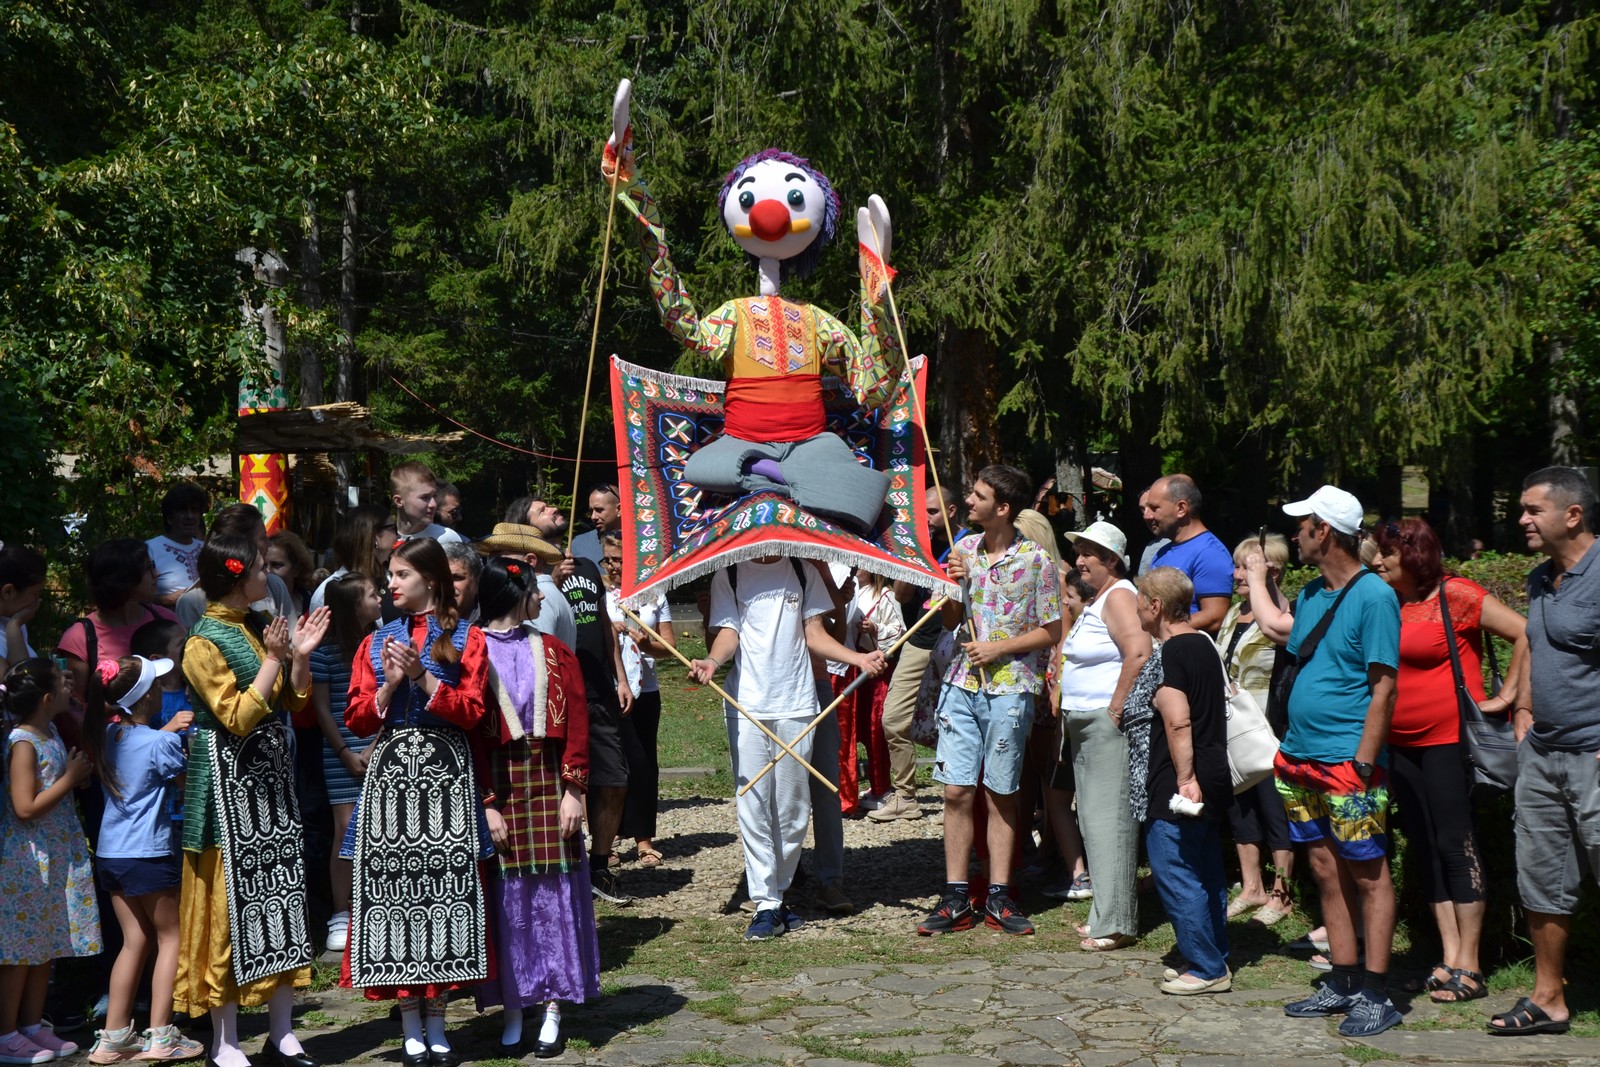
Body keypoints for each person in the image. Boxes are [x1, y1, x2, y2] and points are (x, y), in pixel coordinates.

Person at [176, 532, 328, 1067]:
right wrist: (274, 657)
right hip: (224, 790)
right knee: (227, 907)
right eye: (263, 568)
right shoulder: (201, 642)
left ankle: (282, 1033)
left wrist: (299, 656)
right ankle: (225, 1042)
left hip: (269, 785)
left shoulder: (260, 624)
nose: (270, 576)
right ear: (237, 576)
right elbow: (237, 715)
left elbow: (294, 699)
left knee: (280, 899)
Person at [341, 538, 490, 1067]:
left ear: (430, 578)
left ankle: (440, 1022)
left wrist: (423, 678)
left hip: (446, 778)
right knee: (395, 899)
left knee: (445, 897)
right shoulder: (376, 640)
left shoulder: (467, 637)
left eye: (401, 574)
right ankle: (409, 1024)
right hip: (391, 784)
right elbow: (356, 719)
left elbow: (473, 712)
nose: (391, 584)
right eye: (390, 575)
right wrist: (388, 688)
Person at [1371, 517, 1527, 1003]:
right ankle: (1448, 956)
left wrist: (1507, 697)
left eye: (1386, 553)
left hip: (1448, 740)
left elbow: (1526, 633)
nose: (1377, 561)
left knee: (1455, 842)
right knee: (1425, 845)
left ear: (1413, 554)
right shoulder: (1388, 600)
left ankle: (1471, 965)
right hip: (1399, 743)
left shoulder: (1454, 594)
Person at [689, 558, 886, 940]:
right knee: (753, 800)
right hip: (747, 705)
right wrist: (712, 661)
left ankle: (776, 896)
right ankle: (766, 901)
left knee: (793, 807)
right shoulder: (729, 574)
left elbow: (814, 634)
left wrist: (859, 658)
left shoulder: (802, 571)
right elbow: (728, 632)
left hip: (798, 704)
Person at [1271, 485, 1402, 1038]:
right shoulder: (1309, 595)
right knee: (1325, 869)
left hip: (1347, 764)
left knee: (1368, 872)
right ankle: (1343, 979)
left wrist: (1365, 762)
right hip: (1299, 758)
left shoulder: (1375, 596)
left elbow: (1384, 686)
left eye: (1301, 525)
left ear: (1323, 531)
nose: (1294, 535)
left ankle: (1377, 992)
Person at [918, 465, 1061, 938]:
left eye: (978, 496)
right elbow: (950, 621)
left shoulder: (1036, 560)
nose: (969, 501)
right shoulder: (962, 550)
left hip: (1011, 689)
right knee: (956, 791)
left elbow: (1052, 629)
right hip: (961, 684)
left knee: (1001, 791)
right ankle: (955, 895)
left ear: (1003, 507)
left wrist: (1000, 648)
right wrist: (951, 587)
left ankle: (1000, 893)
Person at [1487, 467, 1600, 1036]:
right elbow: (1532, 643)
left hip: (1593, 756)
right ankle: (1548, 997)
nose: (1522, 520)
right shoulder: (1540, 578)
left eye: (1533, 510)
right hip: (1543, 755)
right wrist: (1523, 709)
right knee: (1542, 880)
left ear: (1572, 515)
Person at [473, 558, 598, 1058]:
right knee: (507, 898)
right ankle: (512, 1003)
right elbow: (470, 737)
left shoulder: (554, 651)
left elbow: (579, 723)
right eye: (534, 590)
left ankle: (551, 1004)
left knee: (553, 895)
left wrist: (574, 790)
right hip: (499, 784)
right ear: (514, 594)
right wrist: (486, 804)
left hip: (548, 780)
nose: (543, 597)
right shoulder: (470, 651)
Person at [512, 498, 639, 906]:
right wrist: (550, 578)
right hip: (555, 697)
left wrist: (620, 676)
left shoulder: (585, 566)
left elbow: (603, 622)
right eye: (540, 509)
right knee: (559, 782)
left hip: (598, 688)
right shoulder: (528, 578)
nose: (552, 509)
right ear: (525, 527)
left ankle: (600, 866)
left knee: (614, 779)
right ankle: (564, 865)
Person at [81, 656, 205, 1063]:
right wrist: (181, 742)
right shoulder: (161, 743)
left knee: (134, 941)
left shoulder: (107, 735)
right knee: (170, 938)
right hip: (149, 853)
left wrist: (165, 733)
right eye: (157, 683)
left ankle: (114, 1037)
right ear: (148, 696)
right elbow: (185, 782)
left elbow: (139, 747)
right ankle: (162, 1036)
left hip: (111, 853)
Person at [1125, 568, 1233, 995]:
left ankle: (1206, 967)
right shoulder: (1203, 644)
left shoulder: (1172, 651)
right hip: (1212, 772)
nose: (1137, 610)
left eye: (1140, 601)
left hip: (1179, 781)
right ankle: (1213, 955)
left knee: (1175, 872)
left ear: (1156, 606)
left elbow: (1178, 720)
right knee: (1206, 870)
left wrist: (1185, 778)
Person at [0, 658, 99, 1065]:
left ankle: (30, 1026)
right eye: (61, 682)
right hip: (27, 861)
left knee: (46, 945)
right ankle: (5, 1034)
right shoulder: (23, 742)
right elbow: (24, 807)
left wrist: (73, 777)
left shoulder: (50, 731)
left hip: (54, 853)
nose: (68, 684)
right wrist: (69, 779)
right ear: (45, 698)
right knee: (20, 951)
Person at [1058, 521, 1150, 951]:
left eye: (1087, 553)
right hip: (1088, 723)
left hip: (1105, 724)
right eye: (1078, 552)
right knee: (1093, 820)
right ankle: (1104, 914)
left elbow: (1139, 651)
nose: (1079, 561)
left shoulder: (1119, 596)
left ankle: (1116, 923)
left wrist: (1116, 707)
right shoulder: (1101, 598)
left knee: (1109, 821)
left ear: (1111, 560)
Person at [869, 485, 959, 823]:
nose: (927, 519)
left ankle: (958, 798)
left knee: (955, 724)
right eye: (922, 513)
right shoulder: (917, 546)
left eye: (932, 512)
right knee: (893, 719)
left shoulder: (967, 544)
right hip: (918, 642)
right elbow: (902, 596)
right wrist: (914, 555)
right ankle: (905, 796)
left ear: (951, 512)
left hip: (956, 644)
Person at [1219, 534, 1296, 926]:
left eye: (1244, 568)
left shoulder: (1283, 612)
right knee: (1240, 807)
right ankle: (1252, 887)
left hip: (1268, 725)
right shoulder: (1235, 611)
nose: (1236, 575)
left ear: (1273, 573)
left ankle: (1282, 894)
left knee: (1275, 810)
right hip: (1234, 727)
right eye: (1237, 567)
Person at [309, 574, 382, 955]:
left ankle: (374, 905)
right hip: (340, 750)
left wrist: (375, 744)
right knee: (345, 828)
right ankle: (342, 912)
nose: (381, 597)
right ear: (354, 606)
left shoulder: (383, 643)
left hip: (379, 744)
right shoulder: (324, 653)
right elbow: (321, 707)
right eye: (372, 594)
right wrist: (344, 752)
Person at [600, 532, 674, 868]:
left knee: (644, 763)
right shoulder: (599, 594)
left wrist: (646, 643)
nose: (612, 567)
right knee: (611, 763)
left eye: (618, 560)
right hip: (610, 687)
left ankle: (644, 840)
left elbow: (669, 647)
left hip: (646, 687)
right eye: (607, 560)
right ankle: (606, 840)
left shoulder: (654, 594)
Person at [59, 539, 180, 699]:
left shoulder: (165, 620)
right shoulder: (79, 638)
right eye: (148, 568)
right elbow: (76, 707)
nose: (157, 574)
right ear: (125, 578)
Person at [174, 506, 296, 632]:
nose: (268, 544)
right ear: (238, 546)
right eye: (263, 538)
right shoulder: (192, 602)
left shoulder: (273, 585)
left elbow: (291, 638)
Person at [842, 566, 902, 813]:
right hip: (854, 667)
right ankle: (854, 786)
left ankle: (881, 787)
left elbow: (899, 631)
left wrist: (875, 628)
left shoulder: (885, 594)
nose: (857, 568)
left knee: (875, 729)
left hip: (877, 670)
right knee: (855, 728)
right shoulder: (849, 590)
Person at [1143, 475, 1234, 634]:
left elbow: (1215, 617)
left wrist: (1164, 629)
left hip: (1185, 646)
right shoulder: (1162, 552)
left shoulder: (1209, 553)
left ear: (1181, 508)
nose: (1147, 515)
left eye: (1154, 508)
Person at [483, 519, 575, 650]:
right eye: (492, 560)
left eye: (502, 559)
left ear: (530, 561)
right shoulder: (546, 592)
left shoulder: (533, 600)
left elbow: (540, 653)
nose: (494, 566)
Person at [308, 505, 396, 614]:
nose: (396, 535)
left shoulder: (391, 578)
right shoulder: (330, 592)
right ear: (374, 536)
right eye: (392, 528)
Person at [147, 483, 208, 607]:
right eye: (182, 510)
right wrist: (164, 600)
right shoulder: (149, 549)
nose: (189, 516)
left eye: (194, 510)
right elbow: (132, 595)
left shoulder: (207, 549)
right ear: (169, 517)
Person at [389, 461, 465, 546]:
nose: (433, 504)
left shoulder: (446, 539)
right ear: (399, 501)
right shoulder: (384, 539)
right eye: (424, 497)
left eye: (434, 496)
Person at [0, 545, 46, 676]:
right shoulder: (14, 623)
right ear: (8, 592)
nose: (38, 600)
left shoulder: (11, 621)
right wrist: (14, 626)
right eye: (35, 593)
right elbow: (21, 682)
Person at [569, 484, 621, 567]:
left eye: (599, 510)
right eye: (591, 511)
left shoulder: (639, 541)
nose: (593, 517)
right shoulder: (579, 544)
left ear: (619, 509)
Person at [266, 532, 315, 618]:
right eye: (264, 565)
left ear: (296, 569)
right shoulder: (254, 608)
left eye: (276, 565)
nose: (268, 571)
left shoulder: (312, 604)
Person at [443, 540, 483, 621]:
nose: (447, 585)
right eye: (442, 578)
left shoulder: (493, 624)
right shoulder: (419, 622)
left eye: (456, 578)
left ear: (477, 582)